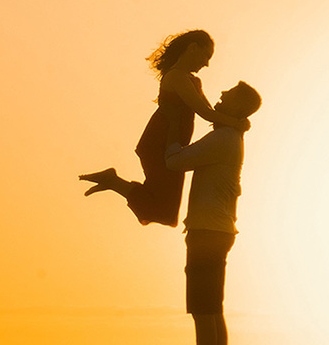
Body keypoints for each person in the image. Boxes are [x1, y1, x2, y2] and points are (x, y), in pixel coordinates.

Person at [79, 30, 248, 227]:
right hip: (159, 143)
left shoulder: (194, 81)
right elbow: (205, 113)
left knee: (165, 210)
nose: (207, 63)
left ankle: (112, 181)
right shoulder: (175, 77)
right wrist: (237, 124)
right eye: (206, 56)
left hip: (173, 145)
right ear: (192, 48)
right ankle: (113, 181)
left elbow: (212, 112)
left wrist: (236, 121)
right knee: (162, 208)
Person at [164, 79, 263, 345]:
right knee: (210, 311)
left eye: (228, 95)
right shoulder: (229, 134)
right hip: (215, 230)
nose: (221, 96)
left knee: (204, 311)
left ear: (238, 107)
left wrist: (171, 134)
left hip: (208, 232)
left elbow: (175, 160)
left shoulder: (223, 137)